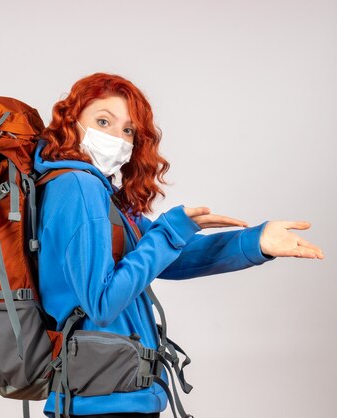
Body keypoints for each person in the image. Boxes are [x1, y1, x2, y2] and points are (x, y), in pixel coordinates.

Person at [33, 72, 324, 418]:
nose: (116, 137)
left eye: (127, 130)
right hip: (101, 401)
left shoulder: (98, 195)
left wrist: (256, 241)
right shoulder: (78, 187)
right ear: (71, 123)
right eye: (102, 121)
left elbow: (171, 258)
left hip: (113, 393)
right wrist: (170, 230)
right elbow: (102, 302)